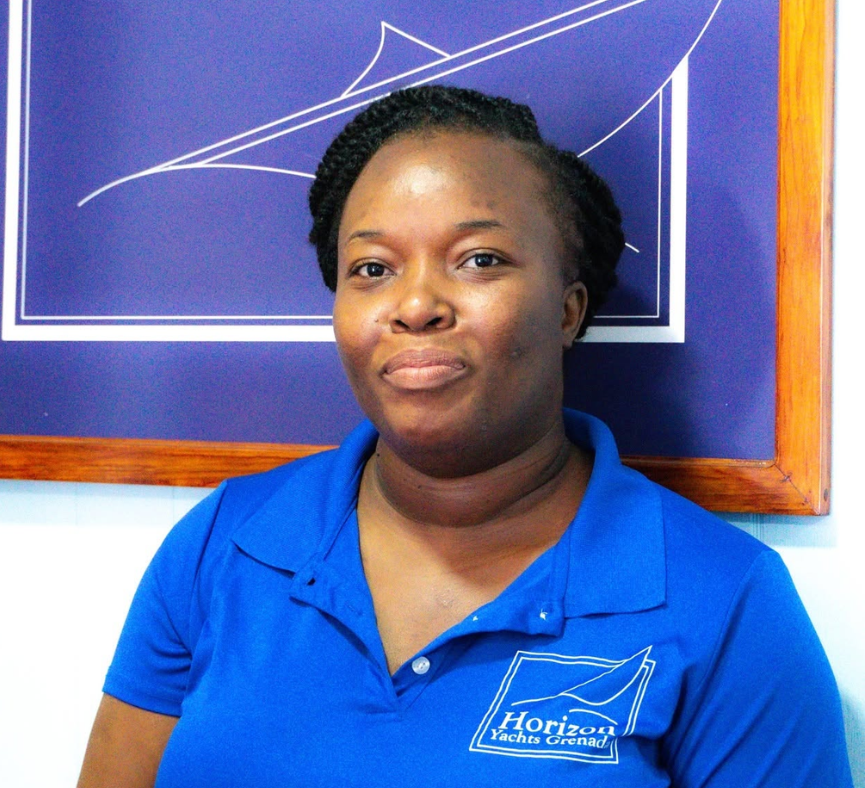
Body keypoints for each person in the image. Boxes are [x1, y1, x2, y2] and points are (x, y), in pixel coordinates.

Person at [77, 86, 853, 787]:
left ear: (568, 310)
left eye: (479, 260)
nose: (416, 305)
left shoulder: (723, 599)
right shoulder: (225, 542)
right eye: (372, 269)